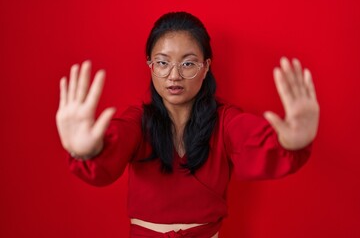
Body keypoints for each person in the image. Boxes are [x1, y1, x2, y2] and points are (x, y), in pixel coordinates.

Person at [56, 12, 319, 238]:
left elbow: (252, 140)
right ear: (149, 65)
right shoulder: (137, 121)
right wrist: (88, 151)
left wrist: (288, 142)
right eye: (162, 62)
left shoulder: (225, 120)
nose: (174, 75)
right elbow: (116, 140)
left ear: (206, 67)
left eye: (188, 63)